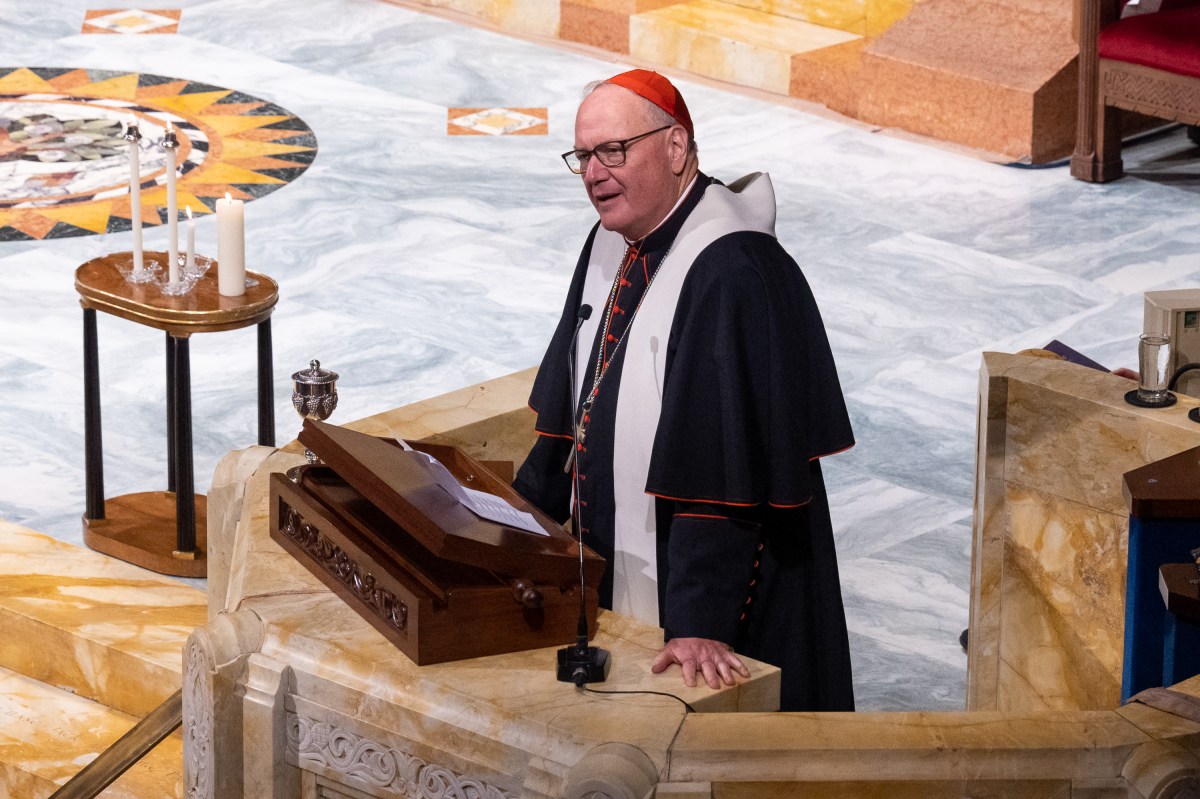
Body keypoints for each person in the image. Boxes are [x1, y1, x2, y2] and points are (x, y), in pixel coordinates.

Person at [513, 69, 856, 712]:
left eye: (613, 151)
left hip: (730, 592)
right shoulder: (613, 243)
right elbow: (575, 411)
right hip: (624, 559)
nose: (594, 174)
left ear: (676, 148)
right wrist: (508, 524)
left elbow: (722, 473)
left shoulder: (734, 270)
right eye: (583, 156)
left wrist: (700, 621)